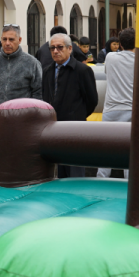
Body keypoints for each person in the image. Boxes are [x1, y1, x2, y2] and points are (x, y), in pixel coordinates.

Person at [0, 24, 42, 176]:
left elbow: (38, 94)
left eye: (11, 39)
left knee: (18, 161)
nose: (7, 43)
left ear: (19, 40)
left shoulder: (32, 63)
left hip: (21, 123)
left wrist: (31, 118)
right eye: (4, 39)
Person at [42, 32, 98, 178]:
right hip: (53, 129)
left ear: (70, 49)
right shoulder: (47, 71)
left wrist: (77, 114)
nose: (55, 51)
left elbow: (92, 100)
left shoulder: (82, 70)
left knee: (75, 171)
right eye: (52, 48)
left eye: (60, 47)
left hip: (75, 129)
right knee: (59, 171)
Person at [96, 28, 136, 179]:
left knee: (106, 147)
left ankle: (102, 179)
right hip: (132, 109)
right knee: (130, 148)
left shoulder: (111, 57)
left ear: (120, 44)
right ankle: (128, 182)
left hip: (112, 109)